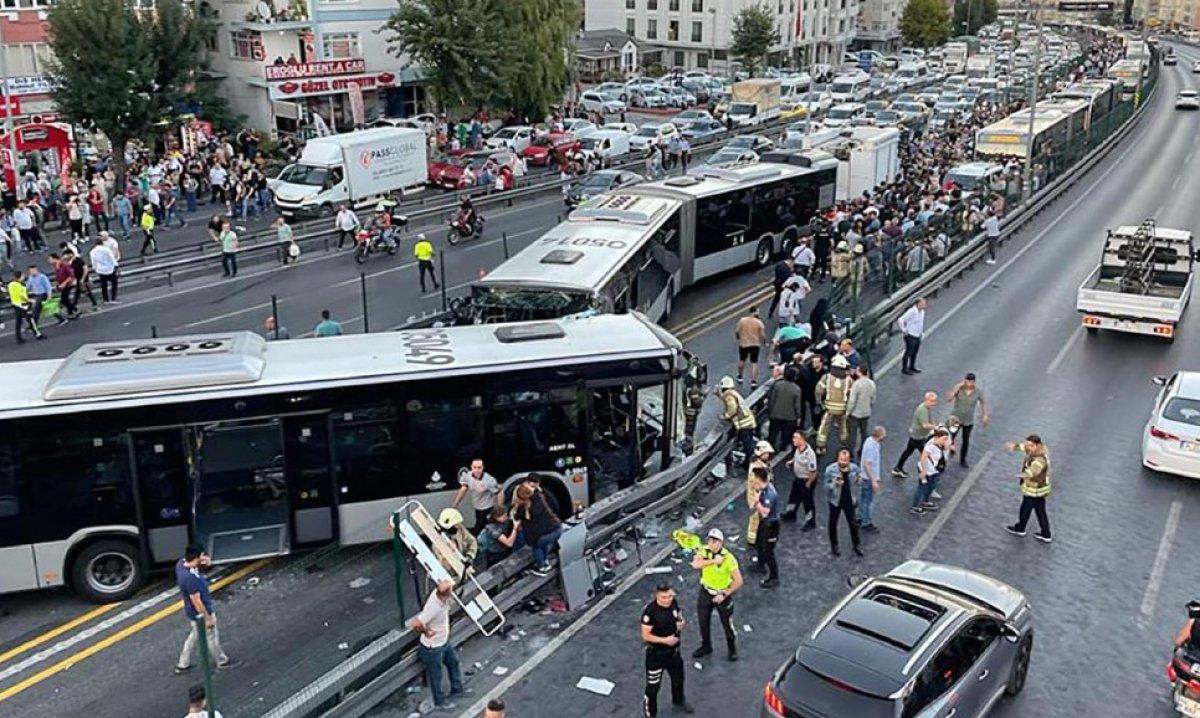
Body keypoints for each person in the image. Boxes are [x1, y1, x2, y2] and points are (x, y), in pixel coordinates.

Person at [174, 544, 240, 675]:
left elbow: (195, 565)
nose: (205, 557)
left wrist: (204, 563)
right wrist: (207, 618)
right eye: (203, 555)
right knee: (211, 636)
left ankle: (183, 664)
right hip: (200, 612)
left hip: (192, 613)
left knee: (194, 636)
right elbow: (196, 601)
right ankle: (221, 660)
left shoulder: (181, 564)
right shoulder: (189, 579)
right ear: (197, 557)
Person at [409, 579, 463, 712]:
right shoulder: (434, 608)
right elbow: (415, 623)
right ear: (446, 594)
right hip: (433, 648)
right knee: (436, 676)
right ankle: (439, 701)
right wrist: (426, 631)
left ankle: (457, 688)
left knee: (453, 662)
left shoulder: (440, 596)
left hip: (442, 642)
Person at [640, 584, 694, 717]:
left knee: (678, 679)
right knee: (653, 688)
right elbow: (646, 636)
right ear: (657, 596)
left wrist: (681, 623)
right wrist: (665, 640)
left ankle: (679, 700)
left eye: (670, 596)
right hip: (656, 655)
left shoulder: (673, 604)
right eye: (664, 597)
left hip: (673, 653)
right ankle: (650, 713)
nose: (667, 600)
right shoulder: (650, 612)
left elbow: (680, 617)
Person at [690, 528, 742, 661]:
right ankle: (706, 646)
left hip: (722, 594)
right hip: (706, 591)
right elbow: (695, 564)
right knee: (703, 621)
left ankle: (732, 648)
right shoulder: (704, 551)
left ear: (721, 543)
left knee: (727, 624)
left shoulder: (729, 558)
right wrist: (713, 561)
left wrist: (725, 594)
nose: (711, 544)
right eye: (710, 540)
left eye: (715, 541)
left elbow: (738, 581)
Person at [1003, 434, 1052, 542]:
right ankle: (1046, 533)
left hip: (1034, 489)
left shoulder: (1039, 459)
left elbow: (1034, 470)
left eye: (1029, 445)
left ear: (1036, 445)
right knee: (1040, 511)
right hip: (1040, 489)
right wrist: (1014, 447)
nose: (1027, 447)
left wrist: (1024, 474)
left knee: (1025, 509)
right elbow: (1023, 447)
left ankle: (1020, 528)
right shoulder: (1035, 450)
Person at [513, 482, 562, 576]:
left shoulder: (523, 509)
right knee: (544, 542)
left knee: (536, 545)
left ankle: (541, 567)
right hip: (557, 528)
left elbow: (517, 516)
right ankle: (546, 561)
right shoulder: (539, 497)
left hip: (544, 534)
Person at [823, 449, 864, 557]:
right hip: (835, 500)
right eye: (841, 460)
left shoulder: (854, 469)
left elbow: (860, 481)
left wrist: (858, 480)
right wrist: (835, 484)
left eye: (845, 460)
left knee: (853, 523)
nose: (843, 462)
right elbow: (826, 487)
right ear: (837, 459)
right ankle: (834, 545)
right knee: (833, 523)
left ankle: (856, 545)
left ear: (849, 460)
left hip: (849, 500)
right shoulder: (830, 470)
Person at [947, 373, 989, 468]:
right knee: (950, 437)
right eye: (967, 381)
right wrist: (956, 389)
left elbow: (983, 403)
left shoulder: (978, 392)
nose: (969, 384)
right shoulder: (959, 389)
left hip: (968, 420)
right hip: (956, 418)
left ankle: (963, 459)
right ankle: (948, 451)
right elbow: (949, 399)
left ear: (974, 382)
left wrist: (985, 415)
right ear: (964, 380)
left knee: (966, 440)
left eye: (971, 382)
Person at [815, 354, 853, 456]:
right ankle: (844, 444)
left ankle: (820, 446)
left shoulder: (827, 377)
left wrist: (819, 402)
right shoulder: (849, 380)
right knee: (843, 427)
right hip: (843, 409)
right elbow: (851, 394)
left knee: (824, 427)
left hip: (829, 408)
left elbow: (818, 390)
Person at [893, 392, 938, 478]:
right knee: (926, 454)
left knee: (909, 451)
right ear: (926, 400)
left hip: (918, 435)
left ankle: (898, 468)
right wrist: (935, 427)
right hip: (918, 436)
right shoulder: (922, 410)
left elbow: (930, 420)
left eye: (935, 401)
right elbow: (925, 425)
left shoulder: (927, 408)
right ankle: (927, 472)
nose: (934, 403)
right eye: (932, 401)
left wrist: (934, 426)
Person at [451, 458, 501, 534]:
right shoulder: (468, 476)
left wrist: (499, 508)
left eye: (479, 468)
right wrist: (455, 505)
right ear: (471, 467)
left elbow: (499, 493)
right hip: (477, 507)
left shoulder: (489, 480)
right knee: (479, 525)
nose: (477, 470)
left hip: (487, 507)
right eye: (475, 467)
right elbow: (463, 489)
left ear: (483, 468)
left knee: (484, 528)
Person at [783, 430, 818, 530]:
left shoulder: (810, 454)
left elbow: (813, 471)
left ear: (801, 440)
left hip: (806, 480)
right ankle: (791, 514)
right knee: (793, 497)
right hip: (798, 478)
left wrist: (809, 483)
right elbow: (796, 457)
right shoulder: (798, 448)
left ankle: (810, 521)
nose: (793, 439)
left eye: (795, 438)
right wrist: (791, 462)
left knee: (807, 501)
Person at [752, 466, 780, 588]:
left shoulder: (770, 494)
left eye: (754, 479)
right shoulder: (762, 488)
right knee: (759, 543)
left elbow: (764, 512)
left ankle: (774, 578)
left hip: (771, 525)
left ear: (759, 479)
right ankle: (760, 565)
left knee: (769, 552)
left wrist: (756, 502)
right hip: (764, 523)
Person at [718, 376, 757, 464]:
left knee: (747, 444)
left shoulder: (728, 395)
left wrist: (726, 416)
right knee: (749, 442)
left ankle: (750, 462)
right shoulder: (732, 393)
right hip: (749, 421)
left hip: (744, 424)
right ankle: (749, 460)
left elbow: (732, 408)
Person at [911, 428, 951, 516]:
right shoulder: (930, 446)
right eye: (944, 439)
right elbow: (923, 459)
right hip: (926, 471)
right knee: (922, 488)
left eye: (946, 439)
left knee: (931, 486)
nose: (945, 441)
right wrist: (923, 471)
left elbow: (947, 450)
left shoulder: (942, 446)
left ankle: (925, 501)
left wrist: (947, 444)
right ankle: (915, 506)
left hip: (935, 471)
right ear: (937, 437)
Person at [744, 440, 773, 549]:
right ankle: (752, 539)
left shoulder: (761, 464)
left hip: (760, 495)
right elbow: (758, 485)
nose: (768, 455)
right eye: (766, 453)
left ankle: (755, 536)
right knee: (755, 518)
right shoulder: (757, 468)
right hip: (757, 497)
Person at [766, 371, 803, 453]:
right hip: (790, 416)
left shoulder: (777, 385)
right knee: (785, 432)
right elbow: (797, 405)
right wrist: (798, 416)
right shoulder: (797, 389)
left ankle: (770, 446)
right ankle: (783, 446)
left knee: (773, 432)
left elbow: (772, 399)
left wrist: (770, 411)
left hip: (776, 413)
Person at [436, 508, 479, 578]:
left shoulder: (460, 529)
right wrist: (451, 553)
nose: (458, 526)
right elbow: (446, 566)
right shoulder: (438, 544)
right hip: (452, 579)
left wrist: (470, 556)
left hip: (466, 574)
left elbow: (472, 541)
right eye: (456, 525)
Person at [858, 426, 885, 533]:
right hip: (868, 478)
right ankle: (866, 522)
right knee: (868, 501)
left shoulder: (869, 441)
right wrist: (873, 480)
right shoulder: (872, 447)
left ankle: (860, 516)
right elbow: (867, 464)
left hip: (865, 477)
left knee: (863, 498)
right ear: (880, 435)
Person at [846, 366, 876, 457]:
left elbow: (852, 401)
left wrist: (848, 412)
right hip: (866, 412)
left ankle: (850, 451)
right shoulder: (871, 383)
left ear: (859, 372)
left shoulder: (856, 384)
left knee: (853, 433)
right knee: (864, 432)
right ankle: (862, 450)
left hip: (855, 413)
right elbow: (873, 398)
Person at [734, 305, 766, 387]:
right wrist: (764, 342)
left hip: (744, 343)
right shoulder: (759, 323)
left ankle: (740, 376)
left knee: (742, 360)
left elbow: (737, 331)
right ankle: (753, 381)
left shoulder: (742, 320)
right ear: (755, 312)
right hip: (755, 344)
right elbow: (762, 335)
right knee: (754, 363)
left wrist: (739, 338)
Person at [7, 269, 41, 342]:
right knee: (31, 320)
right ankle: (37, 334)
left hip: (15, 304)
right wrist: (30, 300)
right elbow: (22, 296)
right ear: (20, 276)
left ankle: (18, 338)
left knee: (18, 322)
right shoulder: (21, 285)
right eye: (23, 275)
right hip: (24, 305)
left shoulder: (10, 284)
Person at [898, 298, 927, 375]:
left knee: (915, 352)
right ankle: (904, 368)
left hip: (917, 335)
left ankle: (912, 366)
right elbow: (901, 320)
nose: (924, 305)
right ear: (918, 304)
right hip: (910, 335)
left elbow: (920, 324)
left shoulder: (922, 312)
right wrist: (904, 330)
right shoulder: (912, 311)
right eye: (923, 304)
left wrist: (921, 333)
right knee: (908, 352)